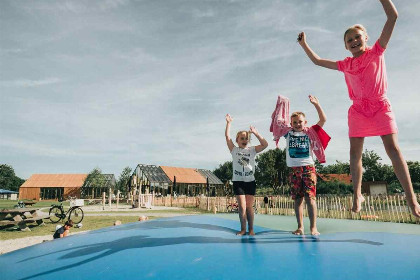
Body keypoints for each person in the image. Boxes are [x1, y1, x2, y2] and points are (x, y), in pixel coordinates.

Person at [297, 0, 420, 217]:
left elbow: (393, 17)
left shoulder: (377, 52)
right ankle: (357, 194)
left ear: (366, 39)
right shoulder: (345, 64)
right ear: (345, 46)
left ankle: (412, 200)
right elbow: (317, 61)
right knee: (355, 152)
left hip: (380, 106)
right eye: (349, 40)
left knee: (393, 149)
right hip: (358, 111)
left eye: (357, 37)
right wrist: (304, 44)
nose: (353, 41)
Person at [271, 95, 328, 235]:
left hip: (308, 167)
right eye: (295, 122)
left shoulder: (310, 132)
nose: (297, 124)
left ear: (305, 122)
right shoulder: (288, 133)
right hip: (294, 169)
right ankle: (300, 227)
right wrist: (281, 105)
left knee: (310, 198)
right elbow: (277, 123)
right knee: (298, 199)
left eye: (300, 122)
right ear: (291, 123)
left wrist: (316, 103)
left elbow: (323, 120)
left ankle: (313, 227)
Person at [225, 114, 268, 235]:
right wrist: (228, 123)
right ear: (237, 140)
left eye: (246, 138)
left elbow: (265, 144)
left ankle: (252, 229)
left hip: (250, 181)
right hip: (238, 181)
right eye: (241, 138)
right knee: (242, 207)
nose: (244, 140)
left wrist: (256, 133)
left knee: (249, 207)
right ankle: (243, 229)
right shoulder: (234, 150)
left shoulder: (252, 150)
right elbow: (227, 137)